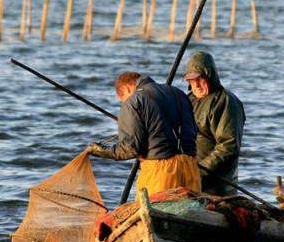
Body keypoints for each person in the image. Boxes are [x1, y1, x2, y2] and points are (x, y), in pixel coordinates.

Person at [86, 71, 201, 201]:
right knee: (188, 215)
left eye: (122, 99)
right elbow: (193, 131)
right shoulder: (178, 93)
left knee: (153, 217)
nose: (124, 103)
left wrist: (101, 151)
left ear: (127, 88)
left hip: (160, 173)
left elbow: (130, 149)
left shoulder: (133, 101)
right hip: (191, 168)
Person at [183, 51, 245, 196]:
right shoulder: (188, 99)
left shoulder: (226, 102)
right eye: (191, 80)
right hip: (189, 181)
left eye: (200, 79)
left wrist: (199, 172)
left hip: (215, 187)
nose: (196, 85)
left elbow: (228, 146)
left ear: (210, 76)